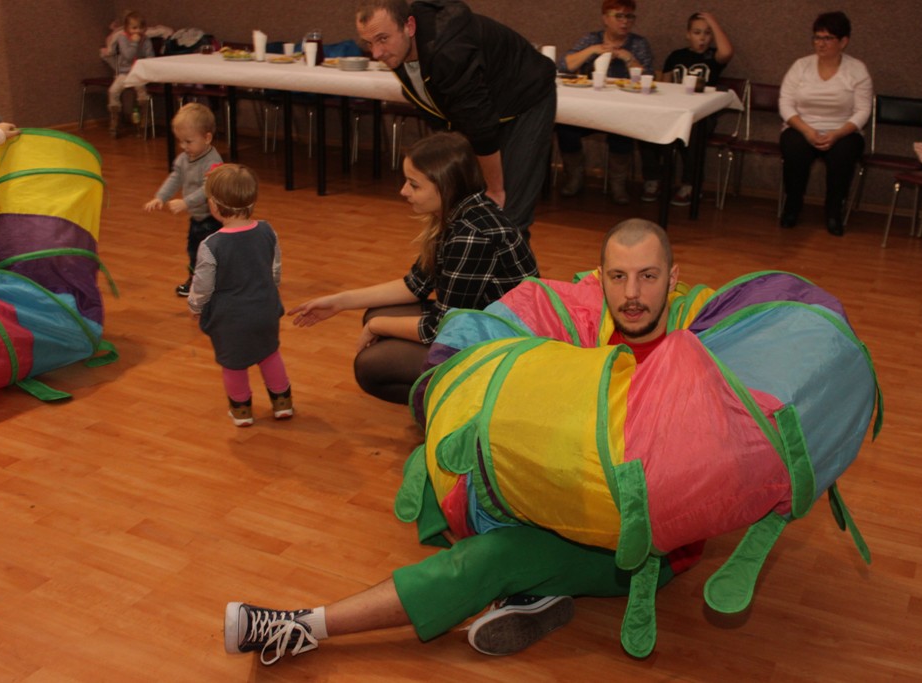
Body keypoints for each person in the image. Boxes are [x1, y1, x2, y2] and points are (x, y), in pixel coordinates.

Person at [224, 219, 706, 666]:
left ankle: (303, 626)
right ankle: (531, 591)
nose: (633, 294)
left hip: (638, 544)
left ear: (673, 275)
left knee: (496, 556)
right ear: (601, 279)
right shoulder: (585, 324)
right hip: (568, 496)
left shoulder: (694, 349)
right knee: (448, 468)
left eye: (648, 276)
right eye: (619, 277)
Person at [288, 132, 538, 405]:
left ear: (445, 186)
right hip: (479, 324)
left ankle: (468, 404)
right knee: (378, 315)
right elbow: (415, 284)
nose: (403, 191)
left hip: (504, 348)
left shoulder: (472, 234)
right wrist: (340, 302)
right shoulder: (464, 211)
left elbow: (439, 328)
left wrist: (376, 326)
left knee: (371, 366)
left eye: (414, 185)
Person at [355, 0, 556, 242]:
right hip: (484, 111)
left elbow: (480, 127)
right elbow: (439, 111)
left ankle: (514, 278)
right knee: (467, 206)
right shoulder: (400, 49)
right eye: (369, 43)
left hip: (528, 99)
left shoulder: (449, 51)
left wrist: (495, 189)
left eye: (383, 39)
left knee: (508, 215)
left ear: (409, 26)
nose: (376, 53)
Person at [186, 164, 292, 427]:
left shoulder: (211, 245)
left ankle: (242, 410)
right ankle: (283, 404)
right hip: (266, 309)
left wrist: (195, 305)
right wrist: (271, 287)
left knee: (233, 363)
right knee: (270, 354)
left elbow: (203, 284)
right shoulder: (268, 230)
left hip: (231, 317)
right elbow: (275, 266)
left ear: (213, 205)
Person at [557, 0, 661, 204]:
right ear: (606, 18)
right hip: (589, 108)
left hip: (622, 109)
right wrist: (592, 50)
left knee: (622, 133)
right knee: (565, 128)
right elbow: (565, 64)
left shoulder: (638, 43)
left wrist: (628, 58)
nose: (625, 22)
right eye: (619, 16)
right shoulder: (591, 39)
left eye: (629, 16)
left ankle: (618, 185)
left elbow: (648, 77)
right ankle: (574, 178)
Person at [778, 10, 872, 236]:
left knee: (843, 155)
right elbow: (785, 103)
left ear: (843, 42)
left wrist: (837, 134)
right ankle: (792, 207)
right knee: (794, 149)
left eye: (828, 38)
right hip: (802, 127)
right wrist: (808, 131)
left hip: (843, 130)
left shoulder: (857, 70)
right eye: (817, 38)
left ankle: (833, 212)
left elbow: (862, 111)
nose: (820, 44)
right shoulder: (800, 66)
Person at [144, 103, 223, 297]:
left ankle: (213, 283)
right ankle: (196, 280)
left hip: (212, 219)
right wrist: (160, 197)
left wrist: (185, 202)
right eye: (180, 141)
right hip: (197, 218)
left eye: (188, 141)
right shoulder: (184, 159)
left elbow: (208, 188)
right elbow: (175, 177)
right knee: (193, 250)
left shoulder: (213, 161)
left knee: (209, 253)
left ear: (207, 138)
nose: (183, 147)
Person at [661, 11, 734, 207]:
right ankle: (655, 180)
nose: (702, 38)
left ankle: (690, 185)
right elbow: (664, 84)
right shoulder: (676, 55)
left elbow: (726, 52)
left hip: (702, 113)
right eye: (697, 32)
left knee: (693, 133)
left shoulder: (712, 58)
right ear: (688, 34)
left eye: (707, 33)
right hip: (675, 109)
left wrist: (713, 20)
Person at [100, 10, 155, 138]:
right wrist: (134, 42)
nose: (138, 31)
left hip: (139, 73)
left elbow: (150, 56)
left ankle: (144, 120)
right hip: (125, 73)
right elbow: (128, 55)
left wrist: (145, 62)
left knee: (142, 92)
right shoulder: (122, 38)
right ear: (127, 28)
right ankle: (115, 121)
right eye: (134, 28)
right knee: (113, 91)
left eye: (141, 28)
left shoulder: (146, 40)